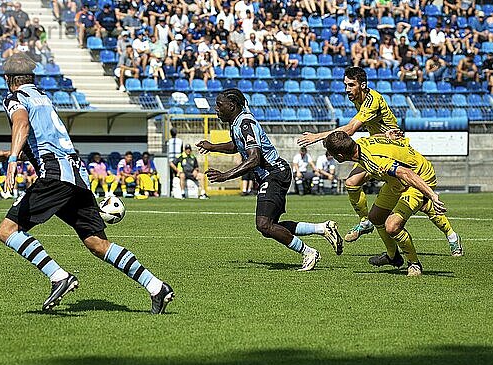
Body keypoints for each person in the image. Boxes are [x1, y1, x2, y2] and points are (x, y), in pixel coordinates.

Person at [0, 53, 173, 313]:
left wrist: (11, 161)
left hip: (55, 176)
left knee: (7, 230)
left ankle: (59, 277)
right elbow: (43, 144)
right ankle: (156, 287)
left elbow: (20, 124)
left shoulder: (15, 98)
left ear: (9, 79)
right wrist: (2, 155)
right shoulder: (44, 98)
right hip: (77, 174)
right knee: (97, 243)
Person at [298, 67, 462, 256]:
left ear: (363, 85)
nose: (347, 89)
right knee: (351, 183)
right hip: (375, 148)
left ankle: (451, 236)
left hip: (393, 151)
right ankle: (366, 222)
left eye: (351, 85)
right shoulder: (358, 100)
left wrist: (317, 136)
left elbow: (350, 130)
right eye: (345, 85)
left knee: (419, 199)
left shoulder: (371, 100)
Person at [195, 89, 343, 271]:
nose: (216, 109)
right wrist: (213, 147)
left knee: (264, 225)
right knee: (269, 227)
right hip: (273, 174)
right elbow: (237, 145)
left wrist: (225, 175)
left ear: (232, 106)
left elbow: (254, 158)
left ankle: (309, 252)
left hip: (274, 173)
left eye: (219, 105)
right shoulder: (238, 123)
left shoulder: (245, 123)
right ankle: (322, 228)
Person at [324, 131, 463, 276]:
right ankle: (393, 256)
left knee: (392, 226)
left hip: (419, 177)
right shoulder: (360, 143)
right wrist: (386, 135)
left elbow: (406, 174)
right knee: (376, 218)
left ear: (340, 156)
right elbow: (374, 138)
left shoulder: (374, 160)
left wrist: (432, 195)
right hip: (396, 181)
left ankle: (414, 264)